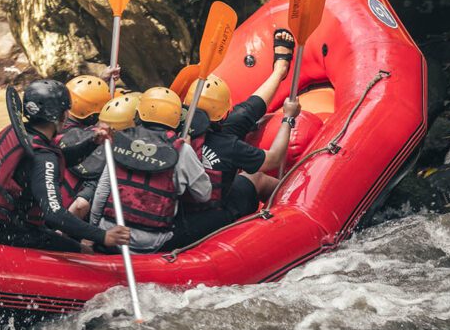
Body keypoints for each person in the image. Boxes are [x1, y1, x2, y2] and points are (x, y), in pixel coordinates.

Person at [0, 79, 130, 252]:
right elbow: (54, 214)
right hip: (13, 235)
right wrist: (104, 236)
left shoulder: (22, 134)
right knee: (87, 251)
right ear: (62, 116)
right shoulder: (43, 157)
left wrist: (92, 143)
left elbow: (59, 159)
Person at [171, 29, 301, 246]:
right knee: (256, 177)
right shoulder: (229, 146)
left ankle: (279, 71)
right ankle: (296, 211)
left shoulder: (170, 127)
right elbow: (275, 158)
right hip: (205, 218)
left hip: (175, 211)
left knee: (243, 116)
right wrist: (288, 117)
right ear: (222, 114)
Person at [89, 87, 211, 253]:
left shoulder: (120, 140)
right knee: (214, 216)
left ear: (139, 113)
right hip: (153, 243)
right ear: (176, 119)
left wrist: (95, 232)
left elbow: (102, 192)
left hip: (112, 234)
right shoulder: (183, 150)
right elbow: (204, 195)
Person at [58, 72, 119, 218]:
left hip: (36, 207)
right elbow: (81, 205)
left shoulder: (48, 129)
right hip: (62, 220)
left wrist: (99, 82)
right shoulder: (99, 144)